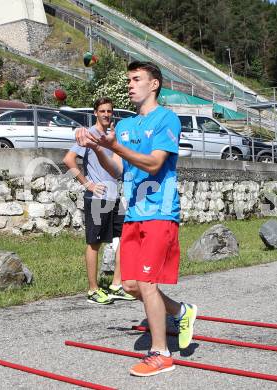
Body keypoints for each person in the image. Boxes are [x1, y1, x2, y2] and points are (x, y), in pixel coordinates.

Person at [75, 61, 197, 377]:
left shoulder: (166, 119)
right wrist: (99, 147)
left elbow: (155, 164)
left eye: (136, 79)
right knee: (130, 285)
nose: (130, 84)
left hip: (159, 213)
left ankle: (161, 354)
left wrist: (113, 144)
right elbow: (118, 169)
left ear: (153, 84)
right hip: (133, 215)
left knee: (147, 281)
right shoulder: (126, 126)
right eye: (128, 80)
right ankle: (182, 311)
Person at [63, 97, 135, 305]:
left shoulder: (113, 137)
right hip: (97, 197)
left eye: (109, 111)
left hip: (115, 196)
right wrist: (88, 184)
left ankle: (116, 285)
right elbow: (68, 160)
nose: (106, 114)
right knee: (94, 243)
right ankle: (93, 290)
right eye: (102, 111)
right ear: (95, 112)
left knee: (123, 239)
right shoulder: (89, 135)